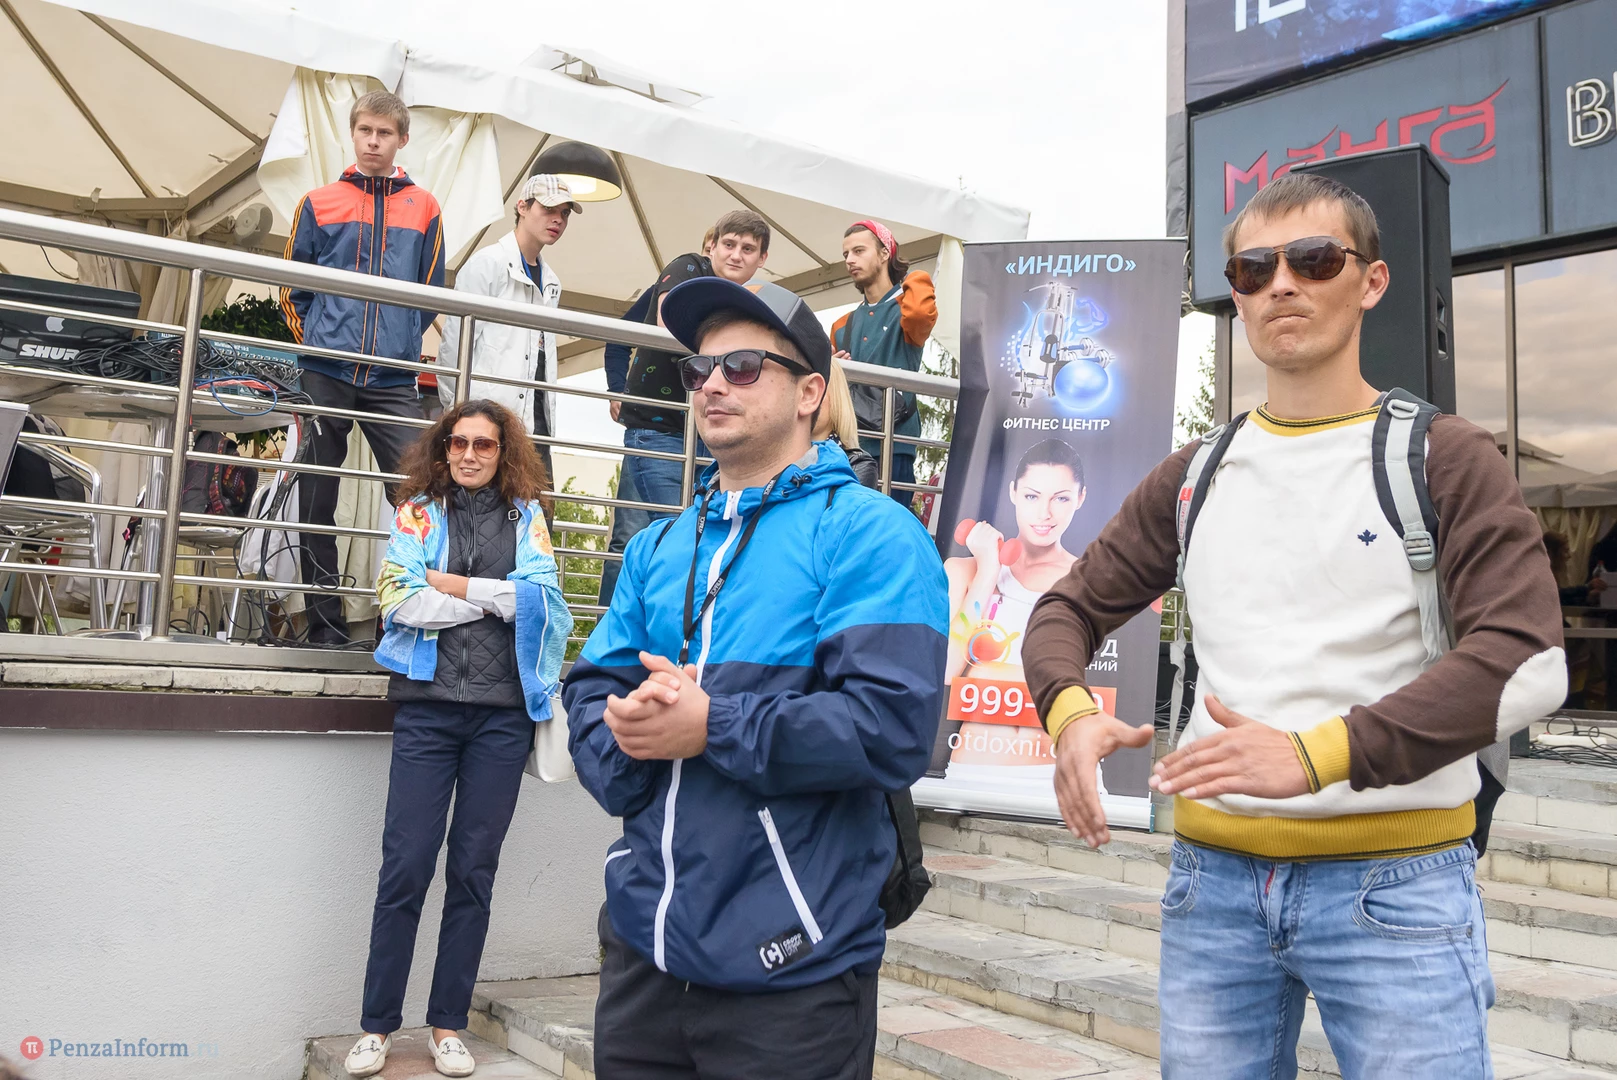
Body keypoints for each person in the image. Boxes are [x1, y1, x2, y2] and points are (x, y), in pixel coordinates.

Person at [1021, 172, 1567, 1079]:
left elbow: (1526, 663)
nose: (1280, 284)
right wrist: (1070, 715)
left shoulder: (1440, 455)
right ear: (1235, 295)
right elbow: (1063, 609)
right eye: (1252, 268)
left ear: (1371, 280)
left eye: (1313, 260)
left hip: (1397, 887)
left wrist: (1316, 754)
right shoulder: (1195, 473)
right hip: (1210, 887)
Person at [562, 278, 948, 1080]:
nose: (711, 384)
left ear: (809, 393)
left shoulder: (872, 534)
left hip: (794, 972)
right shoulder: (659, 545)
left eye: (741, 366)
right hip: (643, 950)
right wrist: (627, 736)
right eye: (696, 370)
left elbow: (890, 730)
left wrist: (713, 724)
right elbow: (589, 689)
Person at [346, 400, 572, 1079]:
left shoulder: (526, 517)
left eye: (485, 444)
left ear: (505, 453)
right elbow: (400, 600)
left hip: (502, 717)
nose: (470, 454)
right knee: (405, 867)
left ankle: (448, 1024)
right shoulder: (418, 511)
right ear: (443, 449)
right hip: (428, 711)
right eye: (459, 442)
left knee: (473, 873)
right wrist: (495, 596)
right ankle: (377, 1026)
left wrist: (455, 585)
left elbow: (545, 604)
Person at [281, 89, 446, 645]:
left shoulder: (425, 207)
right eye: (365, 131)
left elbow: (429, 292)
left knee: (419, 495)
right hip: (325, 370)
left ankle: (406, 620)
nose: (373, 141)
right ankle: (324, 626)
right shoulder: (318, 201)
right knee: (316, 497)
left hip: (392, 376)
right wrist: (318, 345)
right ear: (353, 134)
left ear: (402, 139)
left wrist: (400, 345)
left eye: (384, 133)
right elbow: (292, 287)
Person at [596, 211, 771, 607]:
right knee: (675, 533)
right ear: (712, 246)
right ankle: (622, 630)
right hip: (659, 425)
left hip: (706, 430)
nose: (736, 255)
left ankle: (635, 629)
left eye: (748, 249)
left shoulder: (744, 303)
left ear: (762, 259)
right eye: (729, 244)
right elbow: (666, 320)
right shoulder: (688, 267)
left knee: (652, 534)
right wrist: (618, 388)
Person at [438, 174, 584, 497]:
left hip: (535, 426)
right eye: (548, 209)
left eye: (564, 213)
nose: (558, 220)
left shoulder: (552, 281)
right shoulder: (486, 265)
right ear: (522, 207)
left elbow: (540, 358)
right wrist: (459, 417)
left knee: (537, 519)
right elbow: (453, 349)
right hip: (486, 426)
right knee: (483, 514)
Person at [830, 220, 937, 507]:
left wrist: (915, 277)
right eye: (846, 254)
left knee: (889, 525)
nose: (850, 260)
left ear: (884, 253)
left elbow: (920, 314)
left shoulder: (907, 308)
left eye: (859, 251)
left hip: (895, 444)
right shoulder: (841, 325)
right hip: (849, 447)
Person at [813, 358, 879, 488]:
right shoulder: (776, 455)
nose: (807, 399)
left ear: (837, 398)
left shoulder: (856, 465)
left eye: (816, 389)